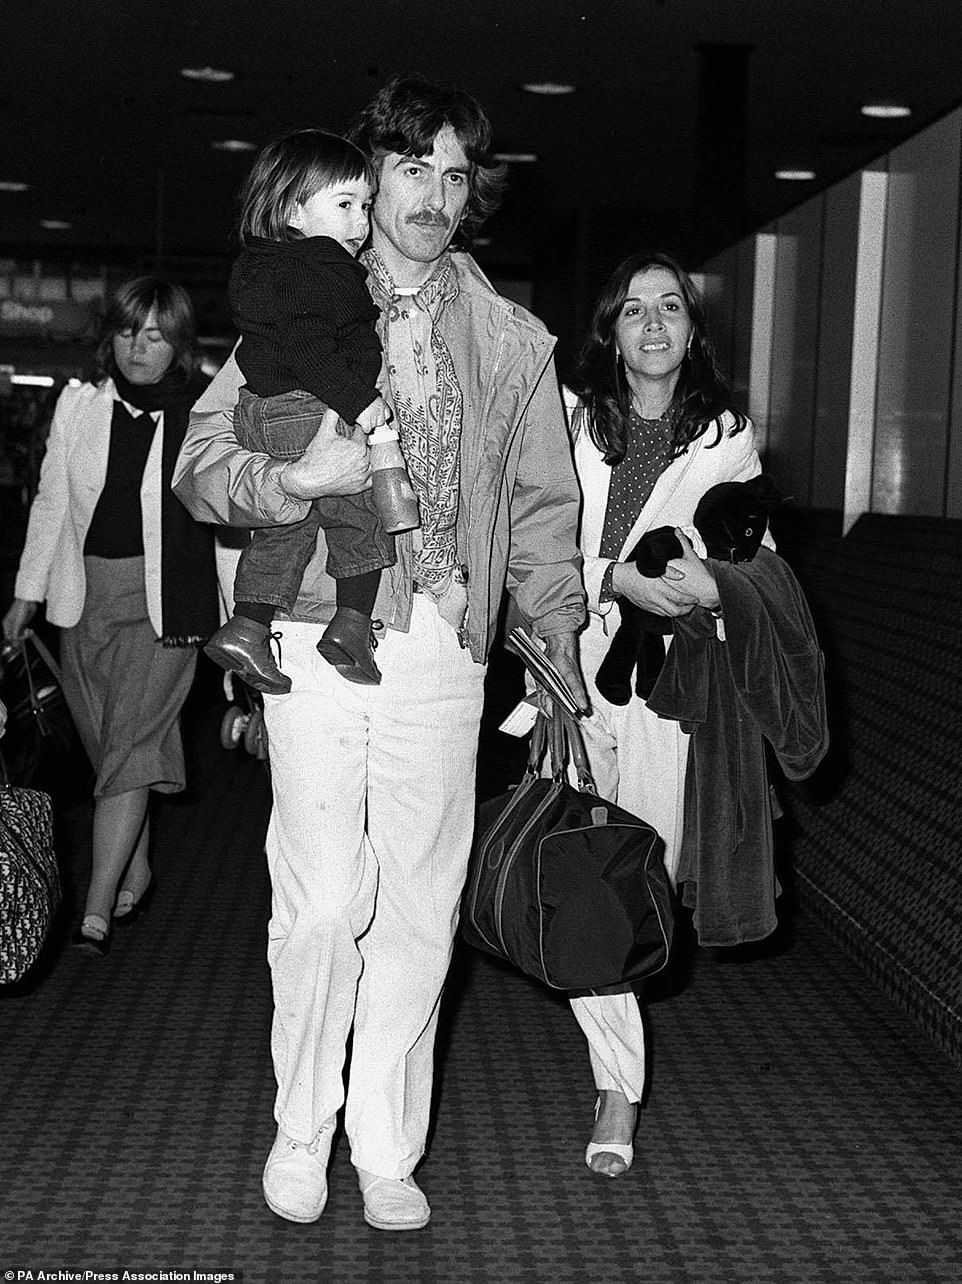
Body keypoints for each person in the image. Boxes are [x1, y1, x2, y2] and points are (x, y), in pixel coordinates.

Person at [173, 73, 588, 1231]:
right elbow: (201, 463)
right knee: (316, 904)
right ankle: (299, 1126)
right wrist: (287, 479)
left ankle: (383, 1146)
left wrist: (550, 635)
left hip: (448, 646)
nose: (433, 195)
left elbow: (545, 507)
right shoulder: (300, 290)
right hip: (313, 630)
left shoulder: (508, 338)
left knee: (418, 902)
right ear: (374, 173)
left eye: (456, 175)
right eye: (414, 167)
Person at [564, 251, 769, 1177]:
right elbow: (535, 547)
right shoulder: (569, 423)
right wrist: (615, 580)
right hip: (567, 667)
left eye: (671, 307)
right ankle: (619, 1082)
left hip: (667, 687)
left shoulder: (727, 438)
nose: (653, 323)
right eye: (634, 309)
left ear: (693, 328)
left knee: (642, 871)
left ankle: (615, 1063)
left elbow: (746, 565)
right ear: (609, 330)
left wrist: (703, 586)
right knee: (576, 869)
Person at [2, 277, 218, 958]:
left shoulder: (202, 415)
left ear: (179, 344)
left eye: (155, 335)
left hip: (168, 607)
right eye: (128, 332)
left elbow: (229, 526)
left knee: (129, 747)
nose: (138, 348)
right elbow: (50, 503)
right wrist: (25, 594)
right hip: (82, 600)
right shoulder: (79, 407)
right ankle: (137, 860)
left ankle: (94, 910)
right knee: (107, 750)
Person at [204, 129, 399, 695]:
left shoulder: (264, 267)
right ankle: (353, 624)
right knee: (357, 515)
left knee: (286, 527)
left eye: (365, 206)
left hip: (264, 413)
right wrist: (362, 405)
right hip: (311, 409)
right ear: (291, 209)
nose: (361, 222)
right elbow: (313, 347)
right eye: (345, 206)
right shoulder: (319, 266)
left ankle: (248, 625)